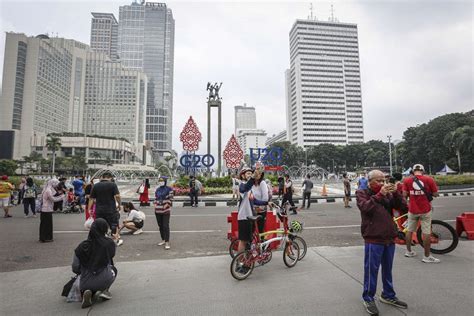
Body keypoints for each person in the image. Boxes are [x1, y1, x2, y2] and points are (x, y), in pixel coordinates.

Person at [356, 170, 408, 315]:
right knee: (371, 270)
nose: (382, 183)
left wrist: (396, 192)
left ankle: (388, 294)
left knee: (387, 269)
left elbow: (404, 207)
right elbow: (366, 207)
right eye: (378, 181)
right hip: (373, 237)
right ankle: (368, 297)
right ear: (370, 181)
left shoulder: (389, 193)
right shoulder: (362, 193)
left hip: (389, 236)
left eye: (384, 180)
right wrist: (380, 194)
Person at [73, 218, 117, 309]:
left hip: (85, 281)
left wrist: (82, 271)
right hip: (104, 278)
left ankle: (87, 292)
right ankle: (104, 290)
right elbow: (111, 256)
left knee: (86, 279)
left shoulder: (82, 246)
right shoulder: (108, 243)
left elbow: (75, 267)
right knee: (114, 269)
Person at [402, 164, 440, 263]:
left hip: (412, 210)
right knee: (426, 232)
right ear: (422, 170)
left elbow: (404, 196)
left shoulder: (406, 180)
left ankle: (408, 251)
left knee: (409, 230)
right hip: (425, 210)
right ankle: (426, 257)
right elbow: (436, 194)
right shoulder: (429, 179)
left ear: (413, 171)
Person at [88, 172, 123, 247]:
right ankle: (114, 241)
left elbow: (91, 198)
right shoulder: (112, 185)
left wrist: (89, 209)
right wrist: (119, 204)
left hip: (99, 210)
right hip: (111, 209)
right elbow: (117, 196)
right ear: (110, 178)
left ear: (102, 177)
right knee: (113, 225)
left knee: (99, 225)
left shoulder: (96, 186)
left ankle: (100, 241)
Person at [236, 167, 260, 254]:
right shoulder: (242, 185)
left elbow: (254, 201)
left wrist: (267, 202)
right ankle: (240, 262)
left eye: (251, 173)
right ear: (243, 175)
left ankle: (247, 260)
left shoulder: (250, 188)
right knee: (243, 241)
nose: (250, 175)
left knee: (248, 240)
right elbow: (244, 188)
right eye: (248, 173)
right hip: (244, 217)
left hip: (250, 217)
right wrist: (253, 177)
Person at [154, 176, 173, 249]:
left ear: (165, 181)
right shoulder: (157, 189)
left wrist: (167, 204)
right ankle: (163, 239)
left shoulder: (169, 189)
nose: (160, 182)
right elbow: (156, 198)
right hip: (157, 210)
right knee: (160, 226)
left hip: (165, 210)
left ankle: (167, 242)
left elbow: (171, 199)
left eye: (162, 180)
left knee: (165, 226)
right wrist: (155, 204)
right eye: (160, 181)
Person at [251, 172, 269, 236]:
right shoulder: (251, 183)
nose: (256, 174)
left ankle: (261, 244)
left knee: (260, 230)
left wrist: (259, 208)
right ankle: (252, 244)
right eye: (255, 173)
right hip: (252, 210)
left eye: (258, 173)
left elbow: (265, 198)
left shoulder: (262, 183)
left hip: (261, 210)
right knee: (251, 230)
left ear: (261, 174)